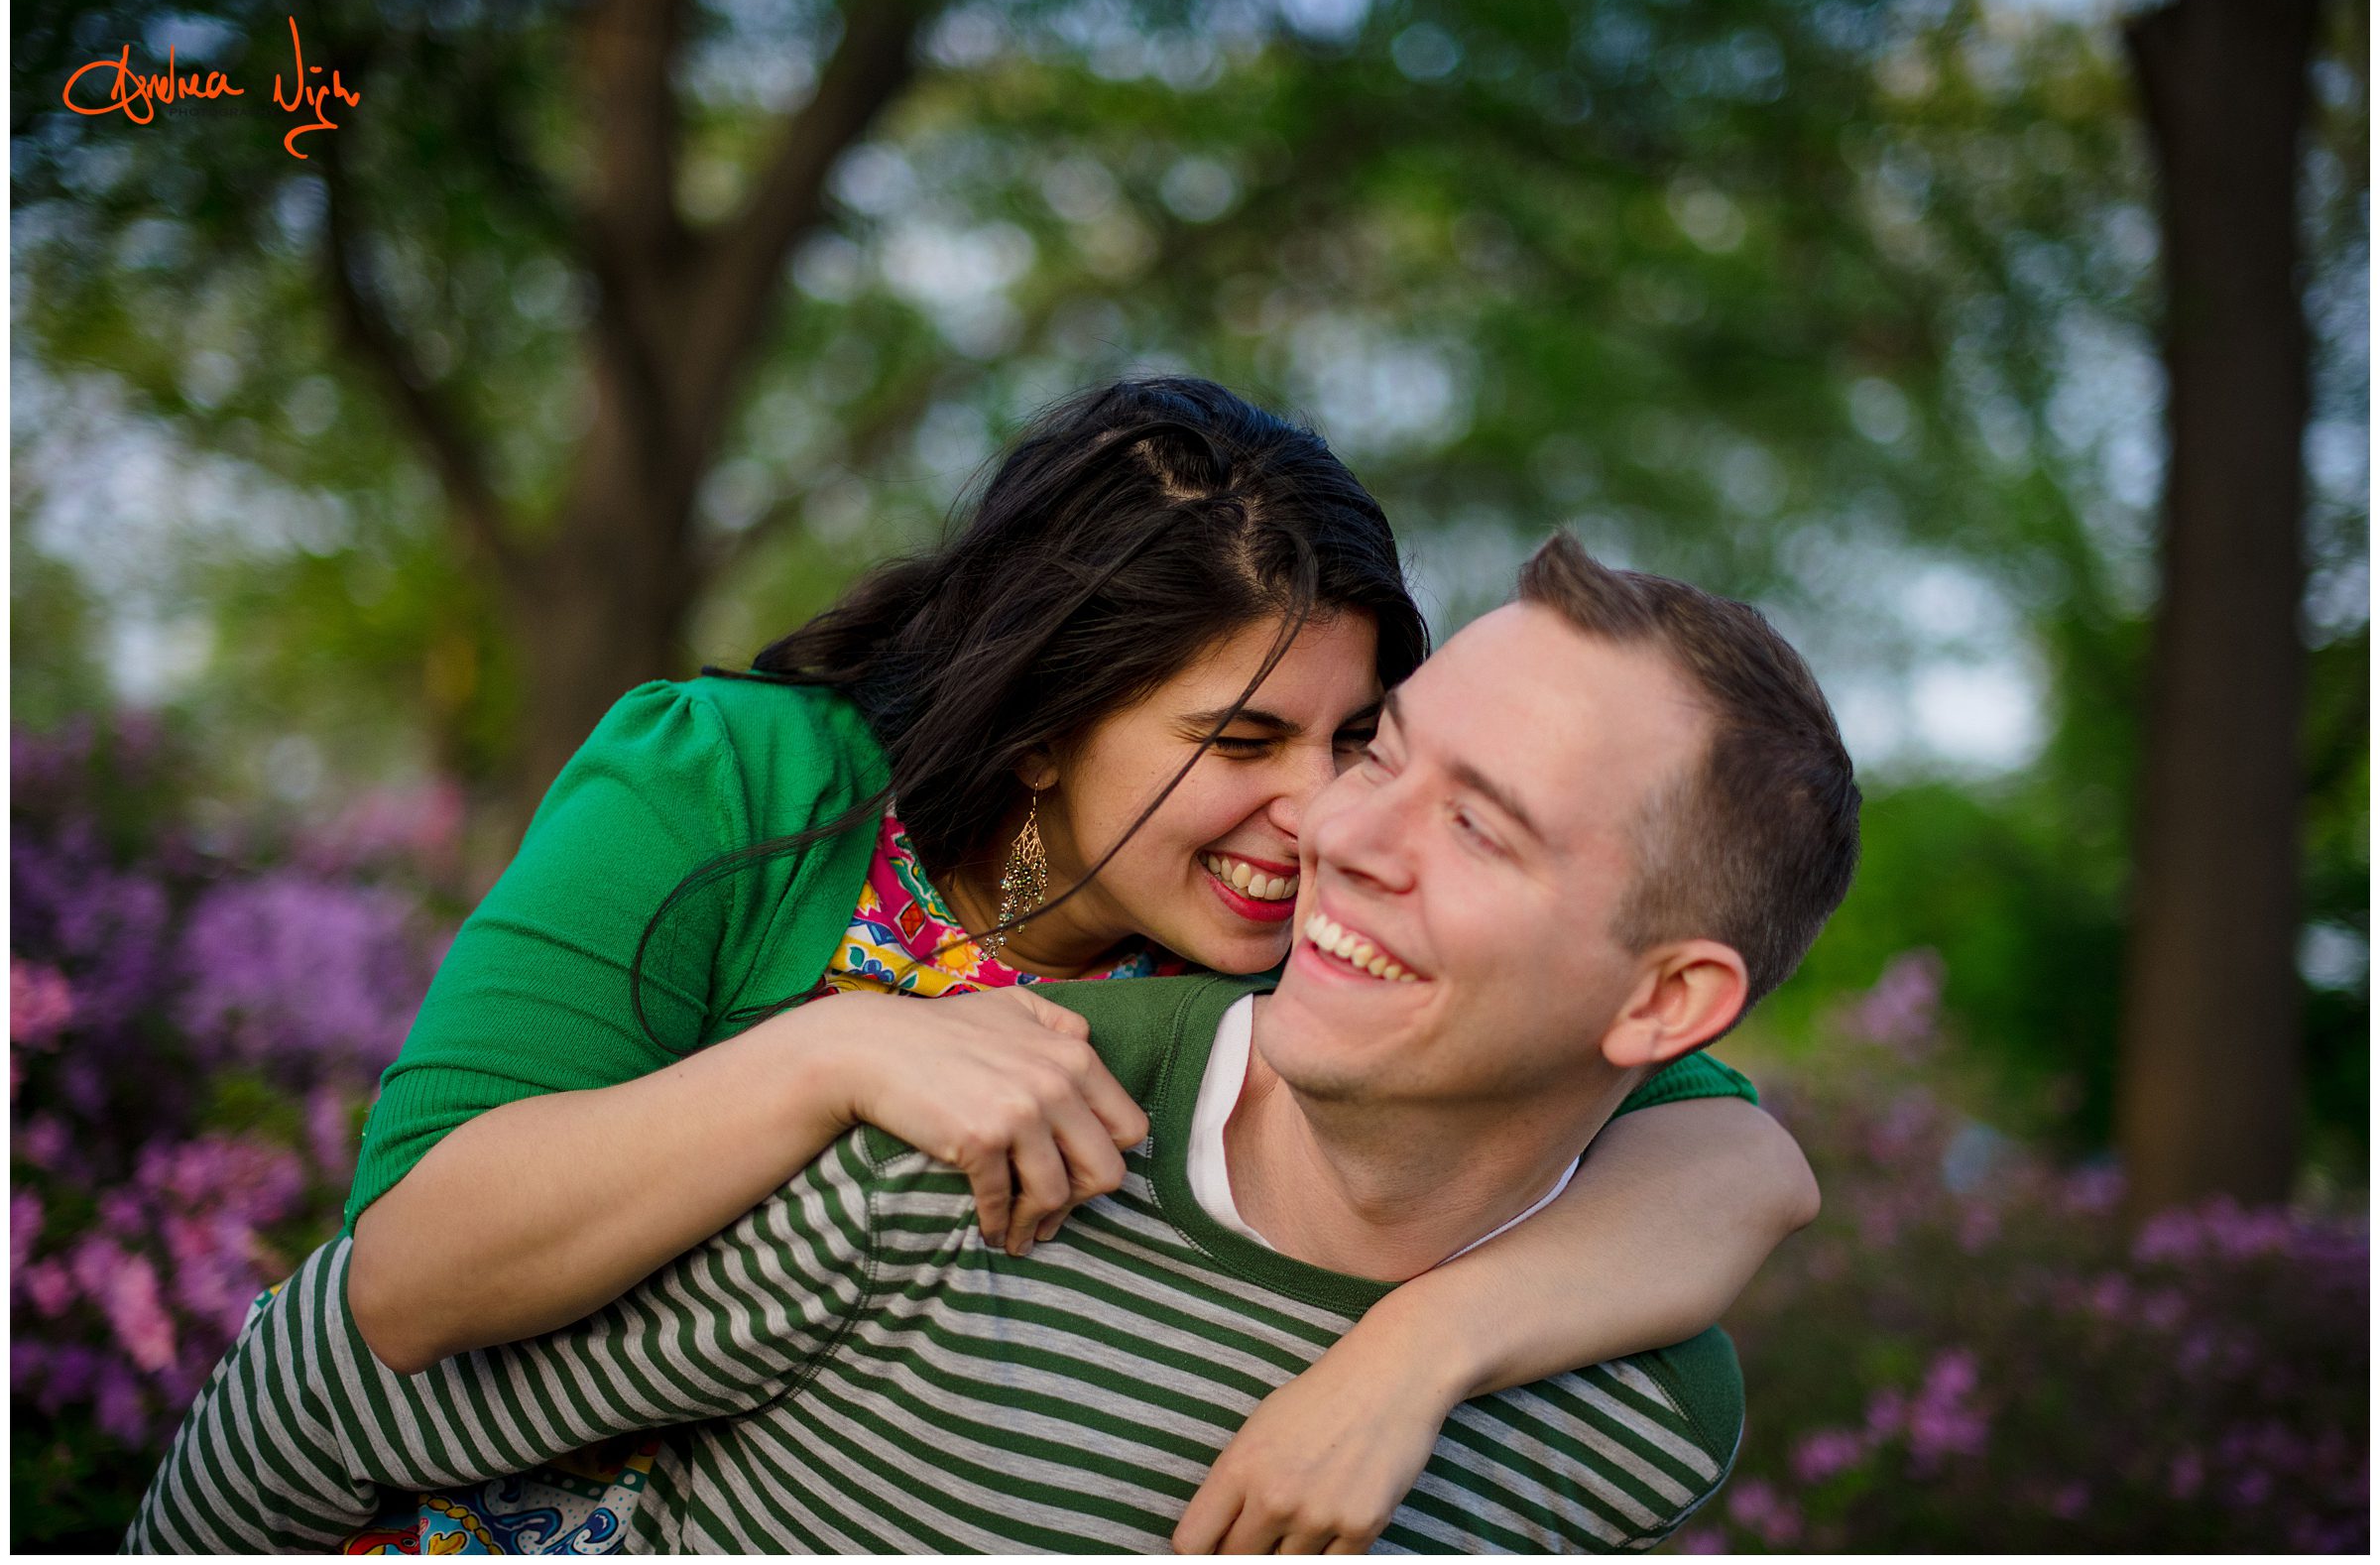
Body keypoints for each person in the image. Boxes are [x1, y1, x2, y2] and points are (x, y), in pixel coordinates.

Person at [160, 379, 1816, 1549]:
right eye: (1239, 740)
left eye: (1357, 738)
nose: (1320, 815)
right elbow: (406, 1283)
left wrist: (1417, 1354)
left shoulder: (1309, 986)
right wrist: (844, 1056)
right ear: (1041, 733)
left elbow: (1736, 1164)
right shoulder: (735, 783)